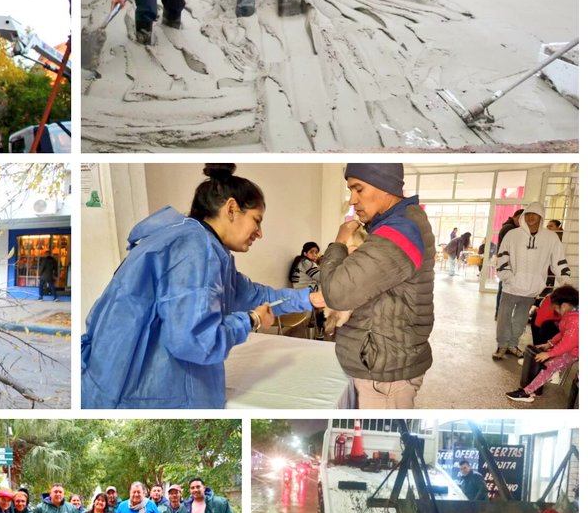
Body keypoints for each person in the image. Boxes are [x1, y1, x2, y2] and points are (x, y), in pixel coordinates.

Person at [82, 163, 323, 409]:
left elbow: (253, 294)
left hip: (114, 381)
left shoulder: (193, 242)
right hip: (148, 397)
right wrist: (252, 321)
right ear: (231, 208)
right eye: (256, 221)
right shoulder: (196, 250)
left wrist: (309, 298)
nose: (259, 233)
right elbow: (195, 342)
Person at [320, 164, 435, 409]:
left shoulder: (400, 230)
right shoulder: (395, 224)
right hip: (383, 362)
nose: (352, 200)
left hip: (385, 375)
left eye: (358, 189)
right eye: (350, 190)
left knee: (377, 434)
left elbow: (337, 293)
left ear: (386, 186)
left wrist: (339, 242)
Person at [494, 202, 570, 360]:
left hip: (532, 288)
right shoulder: (513, 235)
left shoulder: (550, 237)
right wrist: (508, 277)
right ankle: (502, 345)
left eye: (534, 214)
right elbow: (502, 256)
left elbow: (558, 260)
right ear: (523, 216)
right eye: (527, 214)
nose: (530, 217)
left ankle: (512, 344)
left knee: (521, 318)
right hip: (511, 287)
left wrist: (565, 281)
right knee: (504, 316)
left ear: (541, 217)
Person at [507, 284, 578, 402]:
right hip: (573, 348)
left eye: (555, 307)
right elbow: (563, 333)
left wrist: (550, 354)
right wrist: (549, 344)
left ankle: (527, 392)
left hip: (575, 351)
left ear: (564, 306)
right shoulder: (570, 316)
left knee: (548, 366)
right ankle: (535, 386)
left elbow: (568, 343)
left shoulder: (575, 320)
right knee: (546, 361)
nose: (554, 310)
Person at [494, 209, 524, 318]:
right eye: (521, 219)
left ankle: (500, 313)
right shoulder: (509, 229)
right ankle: (500, 313)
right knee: (504, 288)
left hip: (507, 261)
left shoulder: (509, 227)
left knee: (504, 287)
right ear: (515, 217)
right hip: (507, 262)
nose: (522, 222)